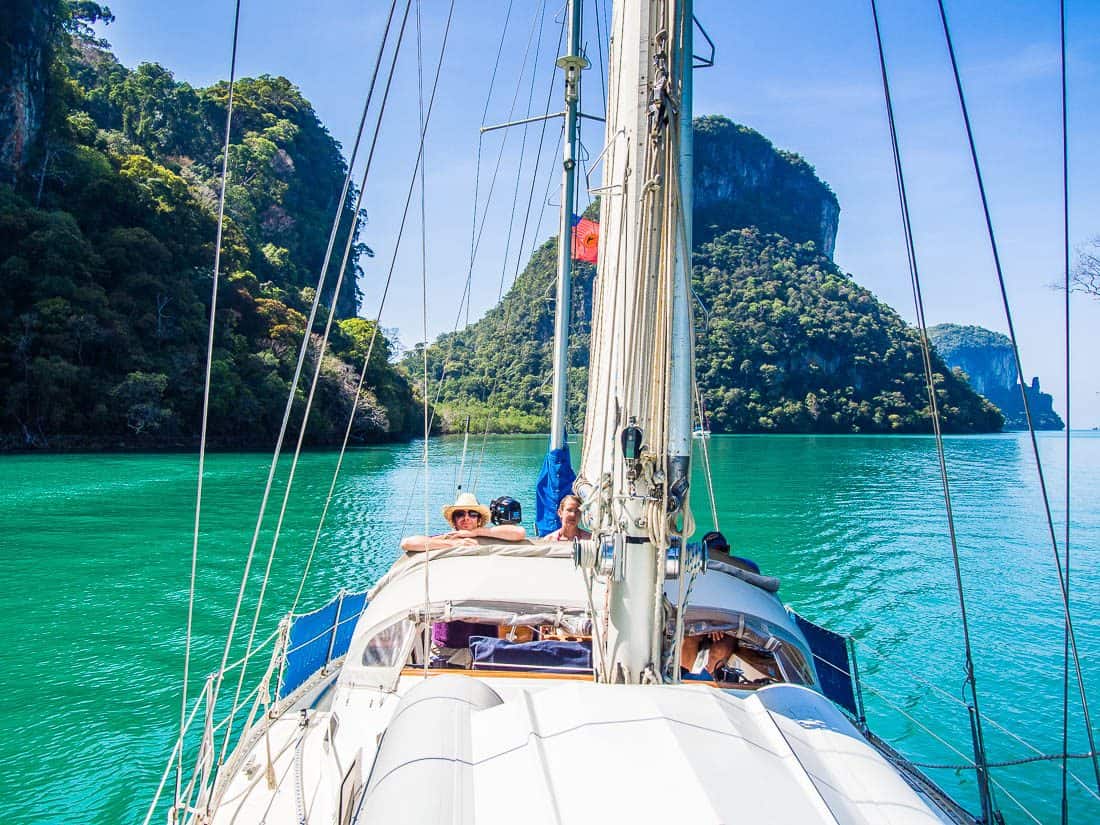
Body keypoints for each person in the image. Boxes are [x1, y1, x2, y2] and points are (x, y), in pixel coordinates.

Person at [400, 492, 526, 553]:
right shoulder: (446, 538)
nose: (466, 518)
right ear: (454, 520)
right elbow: (407, 543)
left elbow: (519, 532)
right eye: (460, 514)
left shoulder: (491, 533)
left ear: (479, 519)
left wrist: (476, 533)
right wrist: (454, 544)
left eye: (472, 514)